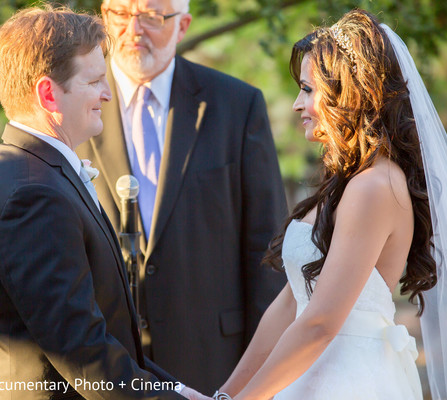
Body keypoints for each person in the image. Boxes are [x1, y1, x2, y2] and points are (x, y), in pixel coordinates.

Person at [214, 9, 447, 400]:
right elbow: (288, 305)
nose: (297, 105)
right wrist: (226, 393)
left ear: (349, 93)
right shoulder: (344, 184)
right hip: (309, 375)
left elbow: (320, 323)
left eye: (308, 90)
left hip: (350, 382)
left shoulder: (376, 186)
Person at [0, 6, 210, 399]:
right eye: (95, 80)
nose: (108, 93)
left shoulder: (36, 173)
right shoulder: (31, 196)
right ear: (48, 94)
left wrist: (177, 389)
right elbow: (81, 349)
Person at [76, 0, 287, 392]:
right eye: (121, 14)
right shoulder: (74, 107)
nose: (134, 29)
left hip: (215, 362)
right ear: (104, 18)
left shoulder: (236, 106)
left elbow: (267, 251)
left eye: (152, 17)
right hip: (106, 363)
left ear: (183, 25)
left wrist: (259, 379)